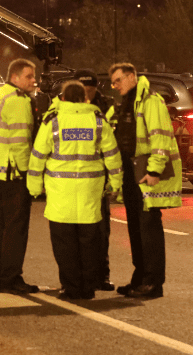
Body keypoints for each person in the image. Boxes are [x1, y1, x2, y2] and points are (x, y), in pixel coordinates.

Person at [28, 81, 122, 300]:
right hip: (90, 191)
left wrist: (33, 187)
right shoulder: (98, 122)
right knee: (90, 243)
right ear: (84, 99)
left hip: (61, 193)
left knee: (64, 244)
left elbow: (38, 155)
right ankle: (87, 287)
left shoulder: (53, 121)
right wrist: (115, 185)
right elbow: (112, 157)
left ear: (62, 98)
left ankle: (71, 287)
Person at [108, 62, 182, 299]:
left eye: (118, 80)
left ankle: (153, 282)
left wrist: (154, 171)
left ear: (131, 77)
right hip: (131, 173)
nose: (114, 85)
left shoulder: (151, 101)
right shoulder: (127, 103)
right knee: (136, 228)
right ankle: (139, 278)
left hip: (145, 172)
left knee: (149, 228)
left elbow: (159, 138)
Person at [0, 58, 40, 294]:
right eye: (29, 76)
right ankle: (11, 278)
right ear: (15, 77)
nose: (34, 81)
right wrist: (28, 174)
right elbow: (20, 142)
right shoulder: (17, 101)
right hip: (12, 172)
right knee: (16, 229)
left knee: (1, 226)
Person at [73, 68, 115, 291]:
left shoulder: (106, 107)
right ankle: (77, 275)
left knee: (100, 230)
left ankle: (101, 275)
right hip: (70, 180)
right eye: (83, 90)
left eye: (90, 90)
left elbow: (112, 145)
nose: (86, 95)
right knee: (74, 231)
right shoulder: (64, 106)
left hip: (98, 178)